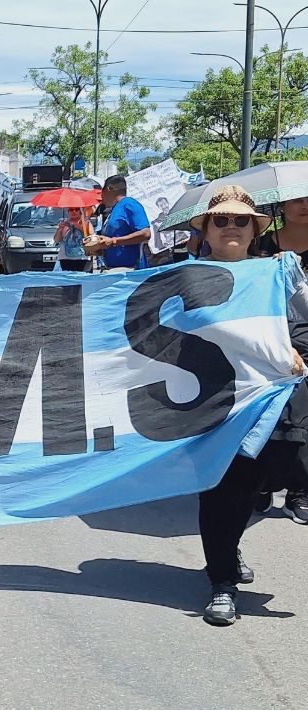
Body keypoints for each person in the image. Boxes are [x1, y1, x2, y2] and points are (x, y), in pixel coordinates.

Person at [188, 185, 306, 625]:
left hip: (266, 405)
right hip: (210, 404)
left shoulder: (276, 273)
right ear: (206, 230)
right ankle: (222, 582)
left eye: (241, 220)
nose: (231, 227)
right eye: (221, 220)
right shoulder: (184, 277)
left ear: (255, 229)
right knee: (221, 490)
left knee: (256, 483)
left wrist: (293, 350)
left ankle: (228, 548)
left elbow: (305, 320)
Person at [251, 194, 308, 523]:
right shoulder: (258, 246)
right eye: (297, 199)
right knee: (266, 417)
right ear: (280, 206)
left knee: (303, 417)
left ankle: (299, 489)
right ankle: (261, 482)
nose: (304, 205)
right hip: (266, 339)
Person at [88, 175, 151, 270]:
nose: (101, 196)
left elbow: (146, 233)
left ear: (109, 189)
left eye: (102, 191)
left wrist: (113, 241)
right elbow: (112, 243)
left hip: (130, 271)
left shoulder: (130, 204)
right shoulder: (114, 209)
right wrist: (97, 249)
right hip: (113, 270)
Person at [52, 206, 93, 272]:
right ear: (68, 212)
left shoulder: (86, 223)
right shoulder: (64, 224)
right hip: (65, 258)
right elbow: (56, 240)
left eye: (76, 210)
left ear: (80, 211)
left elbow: (92, 238)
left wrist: (81, 228)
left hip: (82, 258)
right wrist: (60, 229)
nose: (74, 212)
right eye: (71, 210)